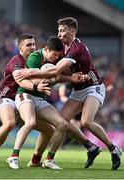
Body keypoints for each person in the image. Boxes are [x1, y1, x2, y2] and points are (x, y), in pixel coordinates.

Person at [16, 17, 122, 170]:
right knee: (61, 122)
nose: (59, 33)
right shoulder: (63, 48)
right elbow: (57, 72)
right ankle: (90, 147)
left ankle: (113, 149)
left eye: (62, 30)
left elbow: (57, 70)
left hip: (94, 87)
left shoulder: (76, 48)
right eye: (58, 30)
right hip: (78, 89)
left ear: (72, 31)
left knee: (86, 121)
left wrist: (30, 72)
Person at [6, 36, 89, 170]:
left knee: (62, 124)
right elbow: (30, 79)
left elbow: (56, 76)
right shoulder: (35, 57)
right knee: (30, 122)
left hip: (39, 99)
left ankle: (48, 160)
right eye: (54, 54)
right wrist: (49, 78)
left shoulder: (57, 59)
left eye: (58, 55)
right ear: (46, 49)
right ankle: (13, 156)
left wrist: (68, 78)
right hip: (25, 94)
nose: (56, 57)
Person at [0, 33, 55, 168]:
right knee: (9, 123)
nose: (32, 47)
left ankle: (35, 160)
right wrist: (37, 86)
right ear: (20, 47)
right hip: (7, 98)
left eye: (33, 44)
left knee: (49, 130)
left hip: (26, 99)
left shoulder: (38, 59)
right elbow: (21, 81)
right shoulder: (16, 61)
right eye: (28, 45)